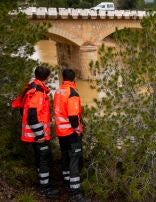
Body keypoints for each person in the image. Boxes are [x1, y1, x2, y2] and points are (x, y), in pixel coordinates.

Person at [12, 66, 60, 199]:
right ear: (47, 77)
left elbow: (23, 109)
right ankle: (44, 188)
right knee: (44, 158)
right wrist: (39, 135)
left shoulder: (32, 87)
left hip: (34, 133)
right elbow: (32, 114)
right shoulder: (38, 92)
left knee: (41, 158)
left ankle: (44, 183)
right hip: (38, 135)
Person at [54, 68, 87, 202]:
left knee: (66, 157)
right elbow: (73, 118)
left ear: (63, 78)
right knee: (74, 160)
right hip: (70, 133)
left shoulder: (58, 90)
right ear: (74, 79)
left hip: (60, 132)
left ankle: (67, 183)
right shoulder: (72, 93)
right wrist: (79, 129)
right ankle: (75, 193)